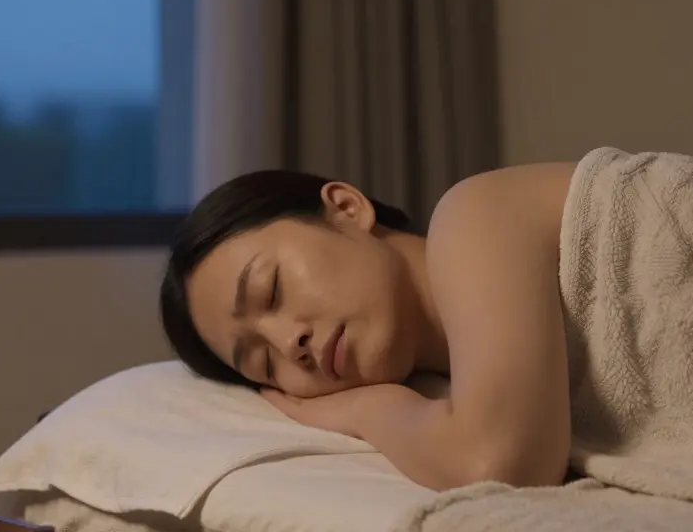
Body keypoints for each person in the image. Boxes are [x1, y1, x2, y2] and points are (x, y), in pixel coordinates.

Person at [159, 164, 580, 492]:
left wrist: (364, 411)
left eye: (271, 290)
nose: (290, 343)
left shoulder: (476, 214)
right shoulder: (444, 396)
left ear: (346, 208)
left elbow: (500, 465)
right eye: (263, 362)